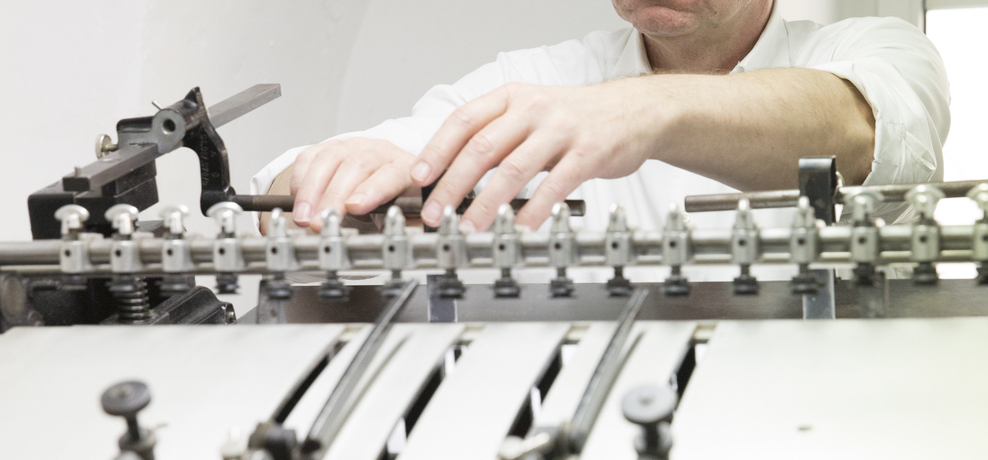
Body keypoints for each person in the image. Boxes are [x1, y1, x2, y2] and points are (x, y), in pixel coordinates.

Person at [252, 0, 949, 235]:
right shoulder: (539, 78)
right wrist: (329, 184)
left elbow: (866, 129)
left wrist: (648, 107)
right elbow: (298, 181)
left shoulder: (876, 48)